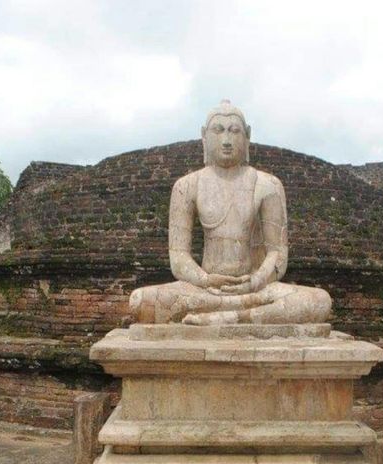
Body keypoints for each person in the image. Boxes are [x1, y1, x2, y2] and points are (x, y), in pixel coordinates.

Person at [129, 100, 331, 325]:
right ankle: (238, 316)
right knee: (139, 301)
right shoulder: (186, 186)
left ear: (247, 136)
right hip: (204, 290)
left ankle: (230, 317)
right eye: (218, 131)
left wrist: (254, 282)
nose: (226, 140)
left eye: (234, 131)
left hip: (254, 290)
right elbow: (178, 257)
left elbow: (278, 255)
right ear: (204, 136)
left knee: (320, 301)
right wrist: (205, 280)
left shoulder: (268, 185)